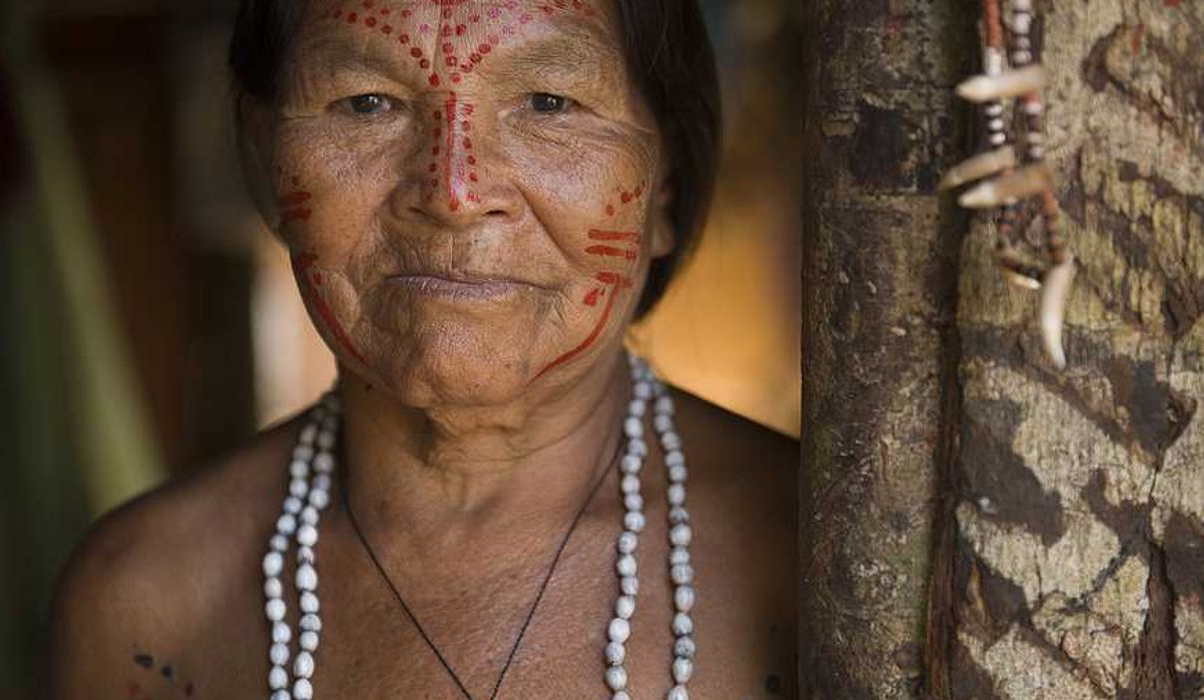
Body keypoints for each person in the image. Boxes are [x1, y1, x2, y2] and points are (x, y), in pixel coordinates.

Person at [42, 1, 797, 697]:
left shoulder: (820, 561)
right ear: (263, 158)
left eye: (548, 102)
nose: (453, 193)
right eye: (366, 103)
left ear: (663, 183)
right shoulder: (147, 603)